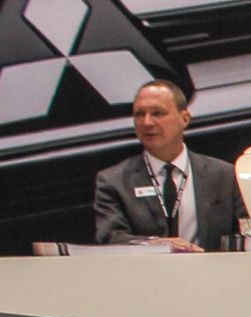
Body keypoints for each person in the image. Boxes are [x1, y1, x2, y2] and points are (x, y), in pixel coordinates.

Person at [92, 82, 239, 250]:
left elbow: (247, 235)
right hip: (146, 267)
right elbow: (110, 238)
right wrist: (155, 245)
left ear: (184, 118)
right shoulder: (114, 181)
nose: (147, 122)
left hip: (210, 266)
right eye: (139, 114)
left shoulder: (224, 176)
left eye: (157, 113)